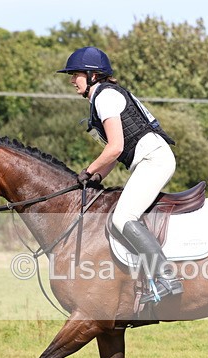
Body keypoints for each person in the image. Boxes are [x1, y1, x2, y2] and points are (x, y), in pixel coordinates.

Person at [58, 46, 183, 303]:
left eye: (76, 74)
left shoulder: (105, 97)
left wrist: (88, 170)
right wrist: (97, 177)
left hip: (154, 160)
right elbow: (116, 153)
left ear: (92, 75)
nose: (72, 80)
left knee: (123, 217)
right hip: (149, 160)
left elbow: (114, 147)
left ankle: (166, 276)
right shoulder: (103, 97)